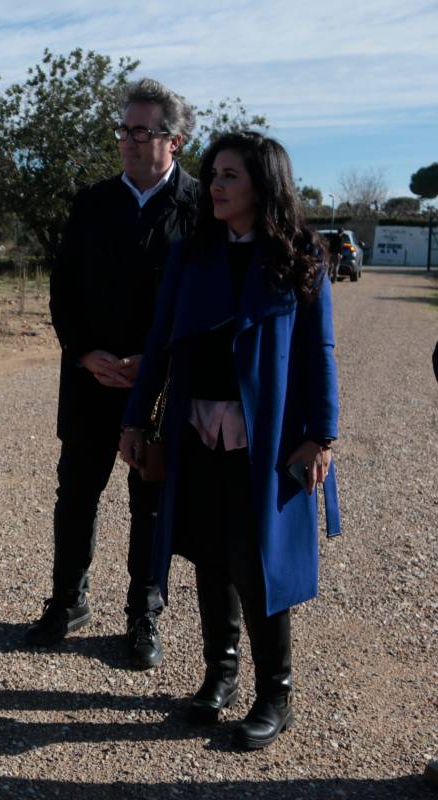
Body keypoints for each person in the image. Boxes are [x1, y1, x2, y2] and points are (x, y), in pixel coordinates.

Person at [119, 131, 340, 750]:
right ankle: (220, 674)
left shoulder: (301, 256)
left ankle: (277, 693)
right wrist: (136, 423)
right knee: (210, 557)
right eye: (213, 173)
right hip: (196, 433)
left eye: (231, 176)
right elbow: (160, 342)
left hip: (268, 441)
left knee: (258, 559)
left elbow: (320, 353)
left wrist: (322, 436)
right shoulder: (193, 255)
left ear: (264, 184)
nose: (215, 185)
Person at [26, 78, 199, 669]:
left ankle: (142, 612)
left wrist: (157, 363)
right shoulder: (92, 202)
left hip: (161, 387)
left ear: (174, 141)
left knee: (150, 499)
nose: (128, 140)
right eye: (124, 129)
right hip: (89, 379)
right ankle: (67, 601)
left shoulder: (200, 210)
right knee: (76, 493)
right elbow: (63, 289)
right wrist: (82, 352)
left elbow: (204, 303)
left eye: (142, 131)